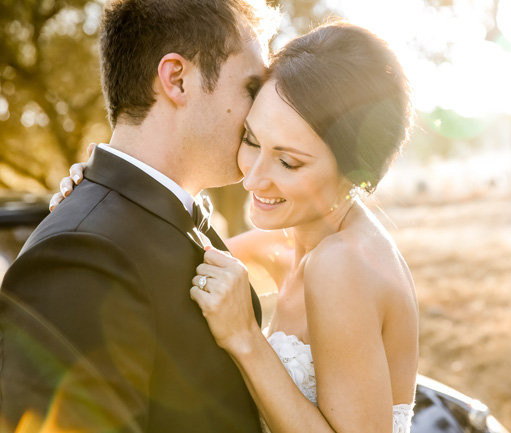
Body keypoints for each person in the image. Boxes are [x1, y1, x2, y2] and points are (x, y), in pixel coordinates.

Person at [52, 22, 419, 433]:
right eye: (251, 138)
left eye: (289, 162)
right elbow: (166, 254)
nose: (253, 178)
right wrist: (101, 191)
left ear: (355, 171)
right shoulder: (284, 244)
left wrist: (246, 338)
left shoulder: (342, 264)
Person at [0, 1, 271, 432]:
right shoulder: (80, 255)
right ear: (177, 80)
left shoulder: (175, 221)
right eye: (252, 89)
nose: (261, 115)